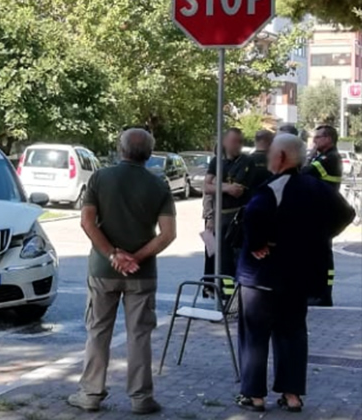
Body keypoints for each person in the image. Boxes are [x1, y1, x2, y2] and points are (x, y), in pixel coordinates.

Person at [235, 134, 354, 413]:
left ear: (281, 157)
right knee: (293, 333)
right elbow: (346, 213)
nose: (268, 158)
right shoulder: (317, 188)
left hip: (262, 276)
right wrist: (319, 237)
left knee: (255, 335)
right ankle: (292, 395)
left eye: (272, 153)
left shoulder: (272, 189)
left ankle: (254, 395)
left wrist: (256, 245)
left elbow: (253, 217)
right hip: (299, 275)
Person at [68, 128, 177, 415]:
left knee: (98, 332)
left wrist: (113, 255)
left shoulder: (100, 178)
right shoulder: (159, 184)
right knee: (139, 335)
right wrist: (136, 258)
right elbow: (167, 234)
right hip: (142, 274)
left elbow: (87, 223)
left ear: (121, 149)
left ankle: (90, 393)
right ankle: (141, 398)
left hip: (103, 270)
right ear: (149, 154)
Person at [203, 128, 254, 298]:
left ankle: (239, 299)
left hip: (237, 218)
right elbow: (206, 187)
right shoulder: (216, 162)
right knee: (221, 260)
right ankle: (225, 297)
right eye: (234, 141)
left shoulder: (246, 161)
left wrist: (217, 184)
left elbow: (237, 190)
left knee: (237, 259)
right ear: (225, 142)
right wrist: (224, 187)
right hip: (219, 217)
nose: (238, 145)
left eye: (240, 141)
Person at [301, 125, 343, 307]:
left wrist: (309, 154)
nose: (314, 141)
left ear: (328, 139)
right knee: (316, 254)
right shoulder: (325, 156)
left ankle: (322, 294)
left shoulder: (329, 158)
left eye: (318, 137)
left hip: (323, 213)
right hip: (318, 211)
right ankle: (317, 291)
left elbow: (303, 172)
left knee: (321, 255)